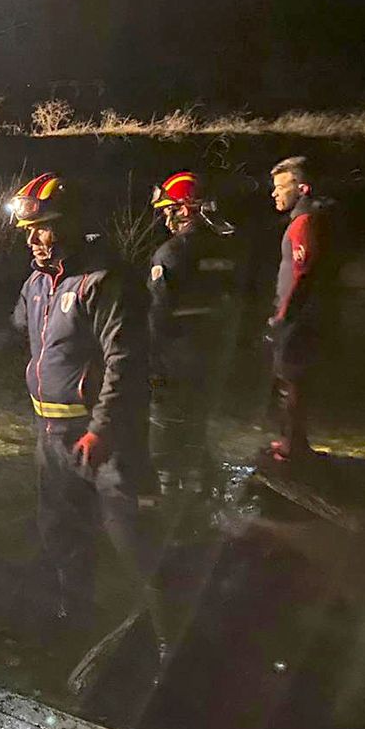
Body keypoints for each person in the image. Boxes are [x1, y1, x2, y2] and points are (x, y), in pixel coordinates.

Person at [8, 173, 164, 646]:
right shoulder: (37, 283)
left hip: (99, 436)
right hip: (50, 430)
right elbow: (26, 331)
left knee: (131, 537)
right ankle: (75, 619)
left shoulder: (104, 281)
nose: (34, 239)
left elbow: (125, 360)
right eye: (30, 231)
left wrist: (101, 430)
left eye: (45, 228)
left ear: (73, 224)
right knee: (60, 529)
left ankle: (168, 636)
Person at [146, 171, 241, 492]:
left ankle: (169, 502)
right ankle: (201, 495)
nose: (165, 216)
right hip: (215, 359)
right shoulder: (226, 249)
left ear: (185, 209)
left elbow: (157, 314)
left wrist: (149, 362)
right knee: (197, 430)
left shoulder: (171, 253)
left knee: (165, 436)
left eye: (168, 209)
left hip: (173, 364)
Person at [265, 156, 335, 461]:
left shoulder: (304, 222)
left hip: (297, 319)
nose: (274, 193)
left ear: (302, 188)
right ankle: (294, 442)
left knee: (290, 380)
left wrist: (283, 315)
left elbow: (301, 271)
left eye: (281, 187)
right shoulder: (305, 219)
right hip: (300, 316)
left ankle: (292, 447)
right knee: (292, 381)